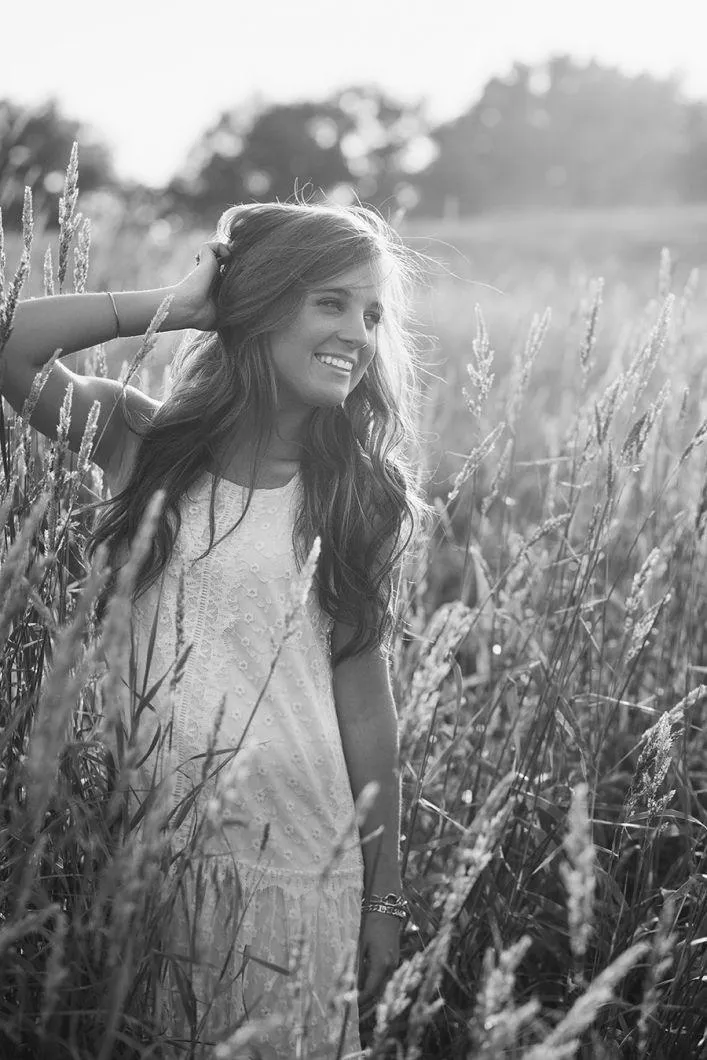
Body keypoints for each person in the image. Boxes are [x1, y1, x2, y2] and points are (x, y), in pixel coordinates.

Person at [0, 200, 427, 1057]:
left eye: (372, 313)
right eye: (331, 303)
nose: (358, 333)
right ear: (258, 304)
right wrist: (177, 305)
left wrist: (382, 895)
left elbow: (363, 700)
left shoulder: (354, 493)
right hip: (149, 853)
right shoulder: (142, 442)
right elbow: (10, 344)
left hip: (299, 857)